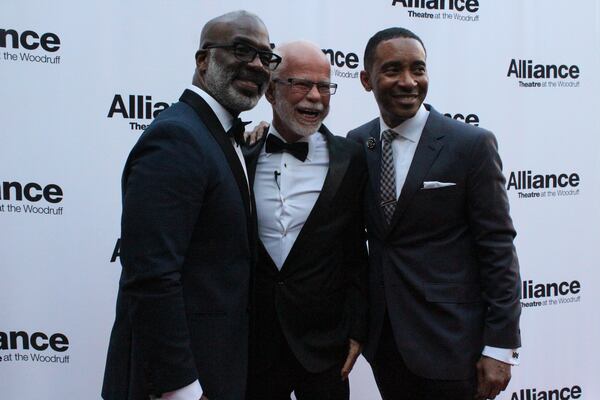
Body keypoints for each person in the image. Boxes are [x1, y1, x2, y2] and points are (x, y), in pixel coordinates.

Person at [101, 11, 280, 400]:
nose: (256, 65)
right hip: (179, 382)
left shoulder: (217, 134)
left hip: (217, 369)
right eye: (240, 50)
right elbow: (151, 274)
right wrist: (179, 387)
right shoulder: (177, 137)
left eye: (266, 57)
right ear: (203, 61)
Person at [348, 28, 522, 400]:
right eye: (393, 69)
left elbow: (497, 248)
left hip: (453, 343)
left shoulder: (470, 145)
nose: (408, 81)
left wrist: (500, 347)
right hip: (387, 345)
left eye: (418, 69)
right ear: (366, 80)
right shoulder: (358, 143)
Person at [244, 41, 369, 400]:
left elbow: (356, 253)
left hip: (325, 346)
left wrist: (357, 329)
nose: (315, 97)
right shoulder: (240, 151)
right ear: (270, 90)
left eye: (325, 87)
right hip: (255, 344)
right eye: (301, 84)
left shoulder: (352, 158)